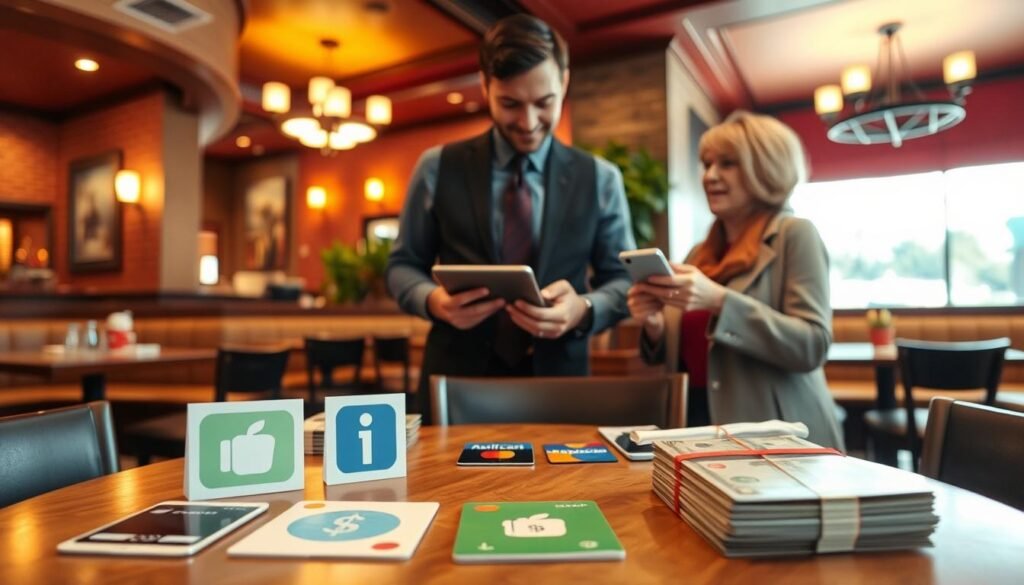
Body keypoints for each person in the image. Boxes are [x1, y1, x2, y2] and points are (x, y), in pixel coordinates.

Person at [387, 14, 636, 423]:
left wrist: (584, 308)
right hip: (455, 380)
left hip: (561, 385)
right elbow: (402, 265)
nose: (528, 122)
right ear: (485, 86)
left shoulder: (602, 178)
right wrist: (433, 301)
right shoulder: (435, 167)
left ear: (565, 82)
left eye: (544, 103)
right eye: (510, 104)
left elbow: (623, 278)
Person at [627, 111, 844, 450]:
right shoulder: (698, 253)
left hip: (777, 437)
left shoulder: (795, 234)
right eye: (706, 163)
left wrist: (720, 301)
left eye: (727, 164)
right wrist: (655, 325)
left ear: (766, 169)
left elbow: (812, 344)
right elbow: (681, 355)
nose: (710, 175)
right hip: (696, 427)